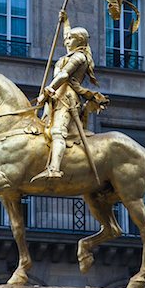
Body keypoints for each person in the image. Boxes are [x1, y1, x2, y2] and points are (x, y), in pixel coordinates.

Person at [31, 10, 109, 182]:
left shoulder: (80, 57)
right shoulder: (71, 52)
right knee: (43, 128)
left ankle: (54, 169)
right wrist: (66, 21)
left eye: (70, 39)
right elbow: (67, 34)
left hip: (67, 98)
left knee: (58, 131)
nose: (66, 40)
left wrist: (48, 89)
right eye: (67, 38)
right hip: (56, 96)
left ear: (79, 41)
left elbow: (64, 76)